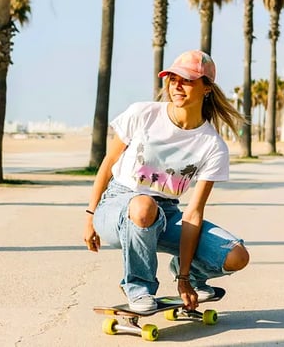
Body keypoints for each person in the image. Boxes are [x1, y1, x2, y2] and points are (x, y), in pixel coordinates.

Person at [83, 49, 250, 312]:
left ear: (207, 88)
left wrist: (184, 277)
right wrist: (90, 216)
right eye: (173, 79)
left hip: (166, 213)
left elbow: (193, 213)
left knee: (236, 255)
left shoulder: (212, 145)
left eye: (187, 80)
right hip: (117, 205)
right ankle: (139, 288)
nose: (177, 86)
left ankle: (195, 276)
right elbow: (108, 164)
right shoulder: (143, 114)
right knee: (143, 206)